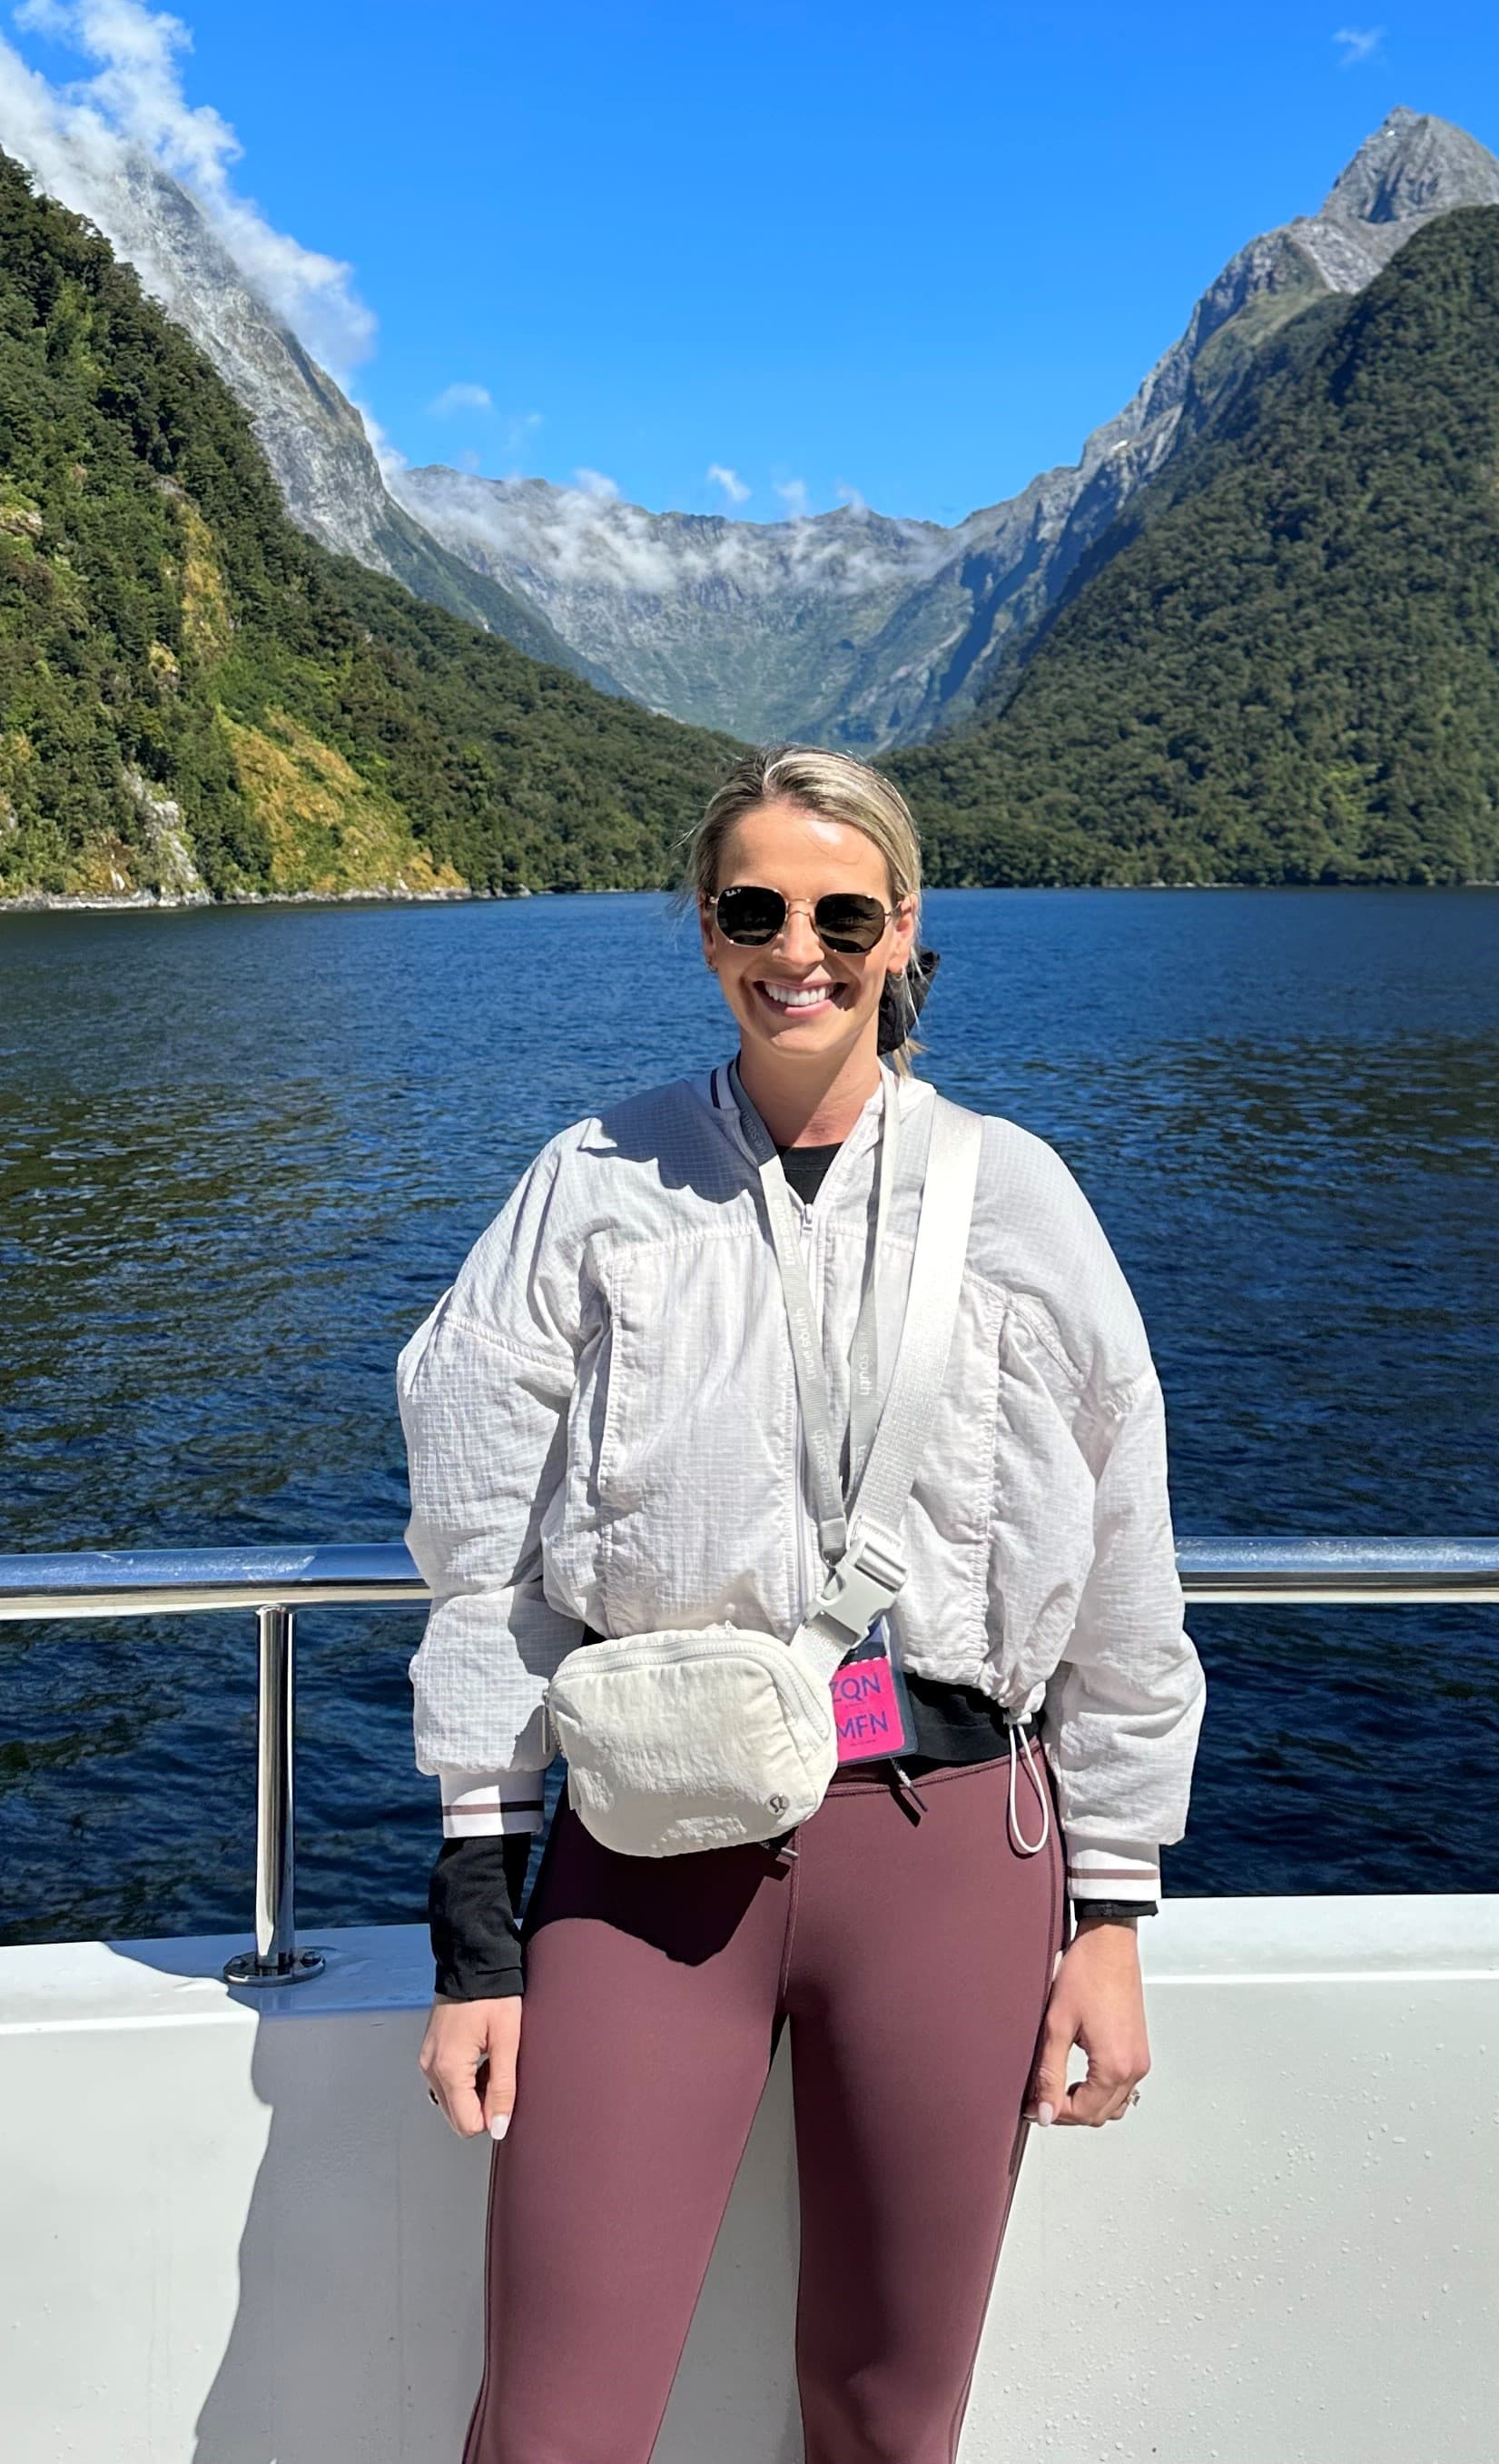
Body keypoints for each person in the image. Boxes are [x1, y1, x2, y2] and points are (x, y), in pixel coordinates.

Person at [399, 746, 1205, 2464]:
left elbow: (1125, 1565)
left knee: (888, 2413)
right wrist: (481, 1917)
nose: (801, 951)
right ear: (705, 931)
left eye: (844, 915)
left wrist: (1116, 1912)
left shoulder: (1021, 1201)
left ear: (905, 933)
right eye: (757, 910)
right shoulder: (595, 1188)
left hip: (954, 1844)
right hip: (646, 1848)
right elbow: (481, 1556)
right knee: (552, 2425)